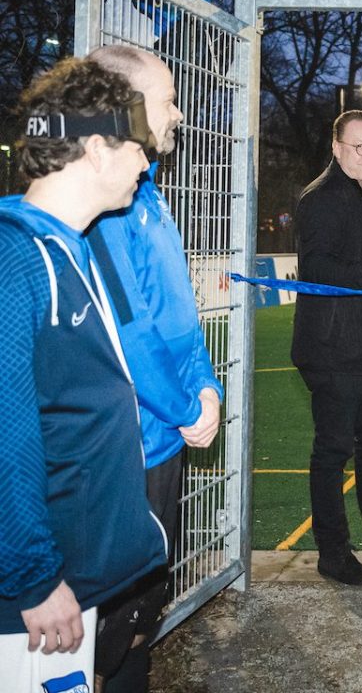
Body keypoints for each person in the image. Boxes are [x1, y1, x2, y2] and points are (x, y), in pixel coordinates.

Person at [0, 58, 167, 692]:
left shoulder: (70, 244)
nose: (146, 165)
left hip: (78, 574)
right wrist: (33, 579)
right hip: (40, 592)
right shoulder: (16, 259)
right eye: (137, 149)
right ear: (97, 149)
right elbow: (5, 437)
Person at [79, 45, 223, 692]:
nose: (180, 111)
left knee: (141, 616)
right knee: (106, 632)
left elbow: (181, 319)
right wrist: (187, 407)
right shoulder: (102, 210)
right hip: (125, 452)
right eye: (167, 98)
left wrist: (207, 387)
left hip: (165, 443)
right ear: (126, 108)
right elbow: (130, 333)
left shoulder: (150, 196)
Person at [291, 109, 362, 586]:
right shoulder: (321, 198)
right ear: (336, 148)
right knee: (333, 450)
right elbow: (315, 264)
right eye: (360, 146)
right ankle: (332, 551)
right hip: (335, 348)